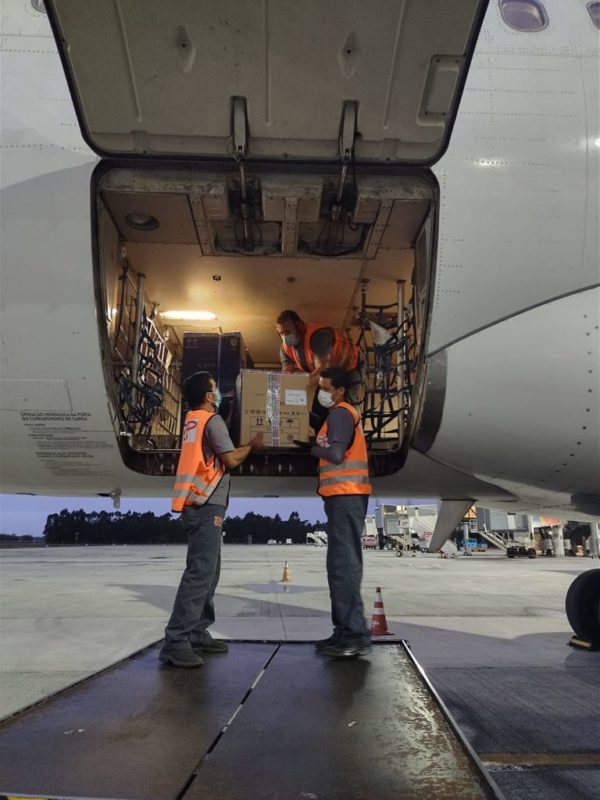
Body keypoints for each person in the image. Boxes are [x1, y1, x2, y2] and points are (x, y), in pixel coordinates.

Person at [159, 371, 262, 667]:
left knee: (209, 571)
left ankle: (196, 632)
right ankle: (176, 640)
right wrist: (252, 446)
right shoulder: (210, 421)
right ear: (207, 396)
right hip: (206, 505)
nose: (217, 393)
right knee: (200, 573)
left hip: (198, 503)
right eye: (215, 389)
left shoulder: (192, 421)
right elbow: (230, 460)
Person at [309, 367, 372, 659]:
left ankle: (355, 635)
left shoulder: (340, 413)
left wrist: (310, 450)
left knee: (344, 566)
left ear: (339, 391)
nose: (321, 391)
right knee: (339, 566)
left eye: (325, 386)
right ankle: (343, 632)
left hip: (347, 495)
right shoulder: (337, 415)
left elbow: (334, 454)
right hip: (342, 497)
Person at [275, 309, 362, 430]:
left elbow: (322, 369)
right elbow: (287, 371)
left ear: (299, 326)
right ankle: (323, 440)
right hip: (326, 375)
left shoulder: (319, 336)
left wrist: (300, 388)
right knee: (318, 412)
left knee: (345, 407)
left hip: (349, 369)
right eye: (281, 333)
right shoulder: (285, 347)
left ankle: (348, 440)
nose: (285, 336)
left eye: (288, 331)